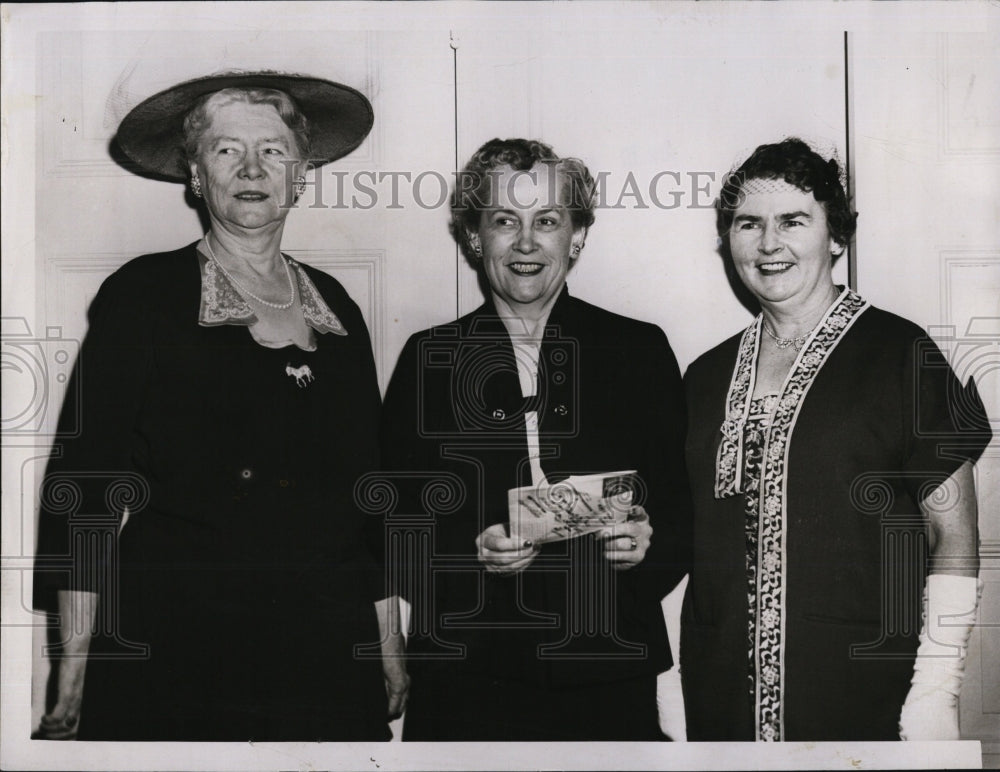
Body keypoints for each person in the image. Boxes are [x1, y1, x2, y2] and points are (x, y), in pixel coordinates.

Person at [33, 71, 408, 741]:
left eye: (273, 150)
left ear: (301, 173)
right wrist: (74, 662)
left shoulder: (339, 307)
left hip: (324, 643)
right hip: (177, 639)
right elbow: (83, 490)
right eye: (227, 149)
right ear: (196, 175)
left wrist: (387, 639)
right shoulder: (142, 294)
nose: (252, 168)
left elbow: (367, 495)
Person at [379, 138, 692, 740]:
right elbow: (392, 524)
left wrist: (649, 545)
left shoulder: (638, 351)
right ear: (475, 237)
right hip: (467, 675)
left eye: (547, 221)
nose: (526, 242)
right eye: (504, 221)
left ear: (576, 238)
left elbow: (684, 510)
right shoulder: (428, 359)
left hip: (605, 672)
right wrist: (472, 550)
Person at [681, 137, 992, 741]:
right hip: (720, 704)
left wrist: (935, 691)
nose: (769, 244)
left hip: (861, 696)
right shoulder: (704, 376)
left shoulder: (901, 355)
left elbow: (952, 533)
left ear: (836, 236)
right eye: (749, 223)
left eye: (793, 221)